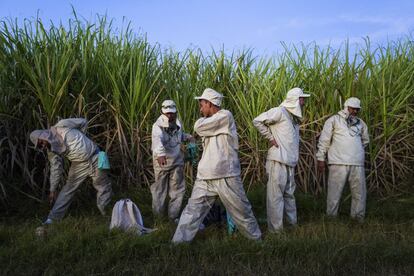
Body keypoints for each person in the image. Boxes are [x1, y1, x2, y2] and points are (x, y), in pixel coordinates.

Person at [172, 88, 262, 243]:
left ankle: (256, 240)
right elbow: (201, 127)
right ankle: (178, 243)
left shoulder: (225, 116)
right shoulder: (211, 121)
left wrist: (201, 124)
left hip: (226, 174)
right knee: (192, 211)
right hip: (206, 176)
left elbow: (198, 127)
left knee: (241, 211)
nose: (200, 108)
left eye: (202, 104)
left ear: (210, 103)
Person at [30, 118, 112, 224]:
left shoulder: (62, 125)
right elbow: (56, 169)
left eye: (41, 142)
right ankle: (53, 219)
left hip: (96, 156)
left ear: (43, 135)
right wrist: (52, 189)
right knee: (68, 189)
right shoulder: (52, 151)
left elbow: (83, 122)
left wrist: (83, 137)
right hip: (78, 165)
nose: (43, 145)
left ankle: (107, 215)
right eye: (40, 145)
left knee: (102, 186)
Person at [253, 87, 310, 232]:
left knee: (289, 195)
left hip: (289, 162)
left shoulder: (293, 118)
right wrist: (271, 138)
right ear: (295, 100)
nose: (303, 101)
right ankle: (276, 231)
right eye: (301, 99)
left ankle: (292, 224)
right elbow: (258, 121)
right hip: (277, 161)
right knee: (275, 197)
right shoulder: (280, 111)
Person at [316, 97, 369, 221]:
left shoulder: (361, 123)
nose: (355, 111)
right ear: (346, 108)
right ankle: (331, 218)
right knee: (334, 193)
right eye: (353, 109)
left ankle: (357, 219)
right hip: (338, 162)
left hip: (357, 163)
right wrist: (320, 158)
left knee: (359, 193)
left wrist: (357, 151)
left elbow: (365, 141)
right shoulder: (334, 120)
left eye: (357, 109)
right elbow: (324, 140)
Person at [151, 100, 193, 221]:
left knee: (177, 189)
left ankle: (173, 216)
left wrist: (188, 137)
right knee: (160, 190)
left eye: (172, 113)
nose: (170, 115)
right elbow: (157, 139)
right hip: (161, 162)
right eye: (167, 113)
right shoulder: (157, 126)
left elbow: (177, 137)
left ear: (175, 113)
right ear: (162, 112)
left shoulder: (177, 123)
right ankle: (158, 218)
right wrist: (160, 154)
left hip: (177, 161)